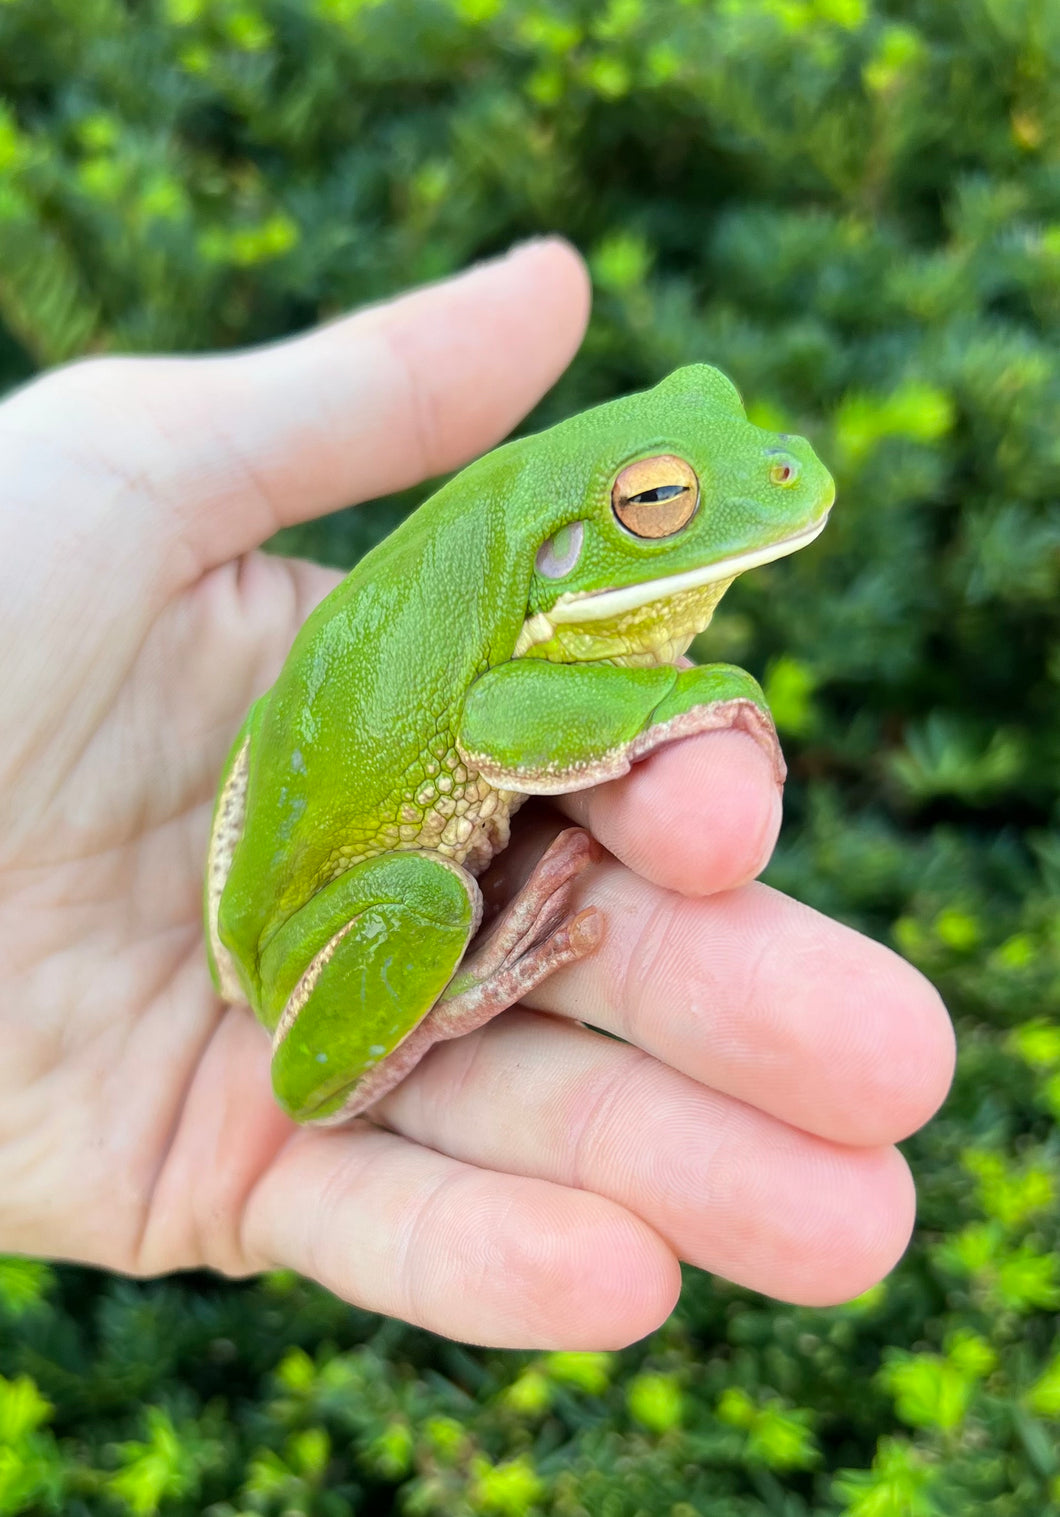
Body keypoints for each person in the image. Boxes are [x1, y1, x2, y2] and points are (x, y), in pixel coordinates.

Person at [0, 239, 954, 1349]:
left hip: (288, 814)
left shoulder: (547, 567)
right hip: (354, 888)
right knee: (433, 899)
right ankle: (408, 1006)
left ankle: (270, 948)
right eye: (659, 498)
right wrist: (670, 701)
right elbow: (495, 724)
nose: (778, 465)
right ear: (572, 549)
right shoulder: (524, 628)